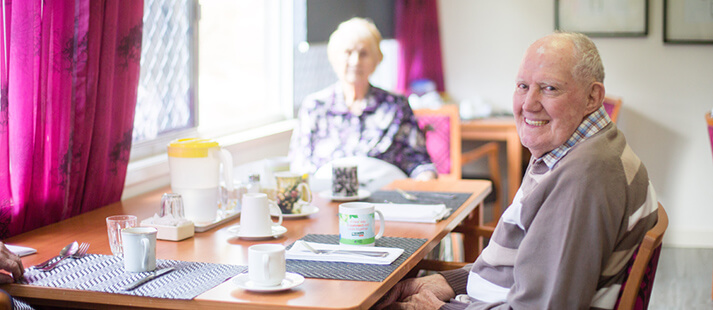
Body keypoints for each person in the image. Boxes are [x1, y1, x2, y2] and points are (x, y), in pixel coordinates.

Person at [374, 32, 659, 309]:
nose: (529, 104)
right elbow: (523, 263)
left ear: (592, 97)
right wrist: (448, 282)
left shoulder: (584, 177)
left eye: (549, 88)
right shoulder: (575, 149)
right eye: (523, 86)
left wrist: (437, 308)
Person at [289, 17, 437, 180]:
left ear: (376, 60)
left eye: (364, 53)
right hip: (328, 200)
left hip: (387, 200)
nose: (355, 61)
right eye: (348, 52)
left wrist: (426, 180)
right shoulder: (315, 106)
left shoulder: (396, 106)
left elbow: (419, 162)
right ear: (334, 57)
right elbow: (299, 166)